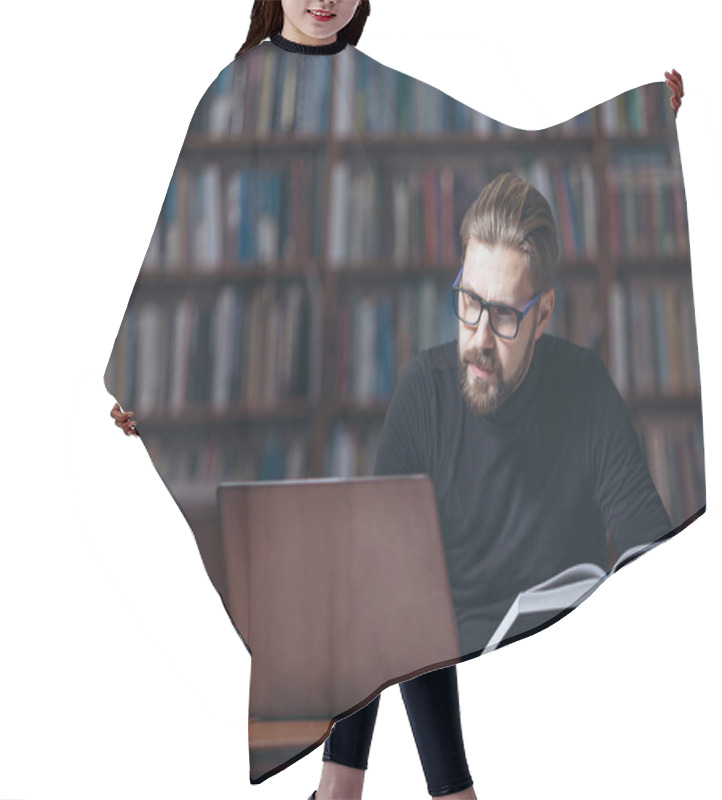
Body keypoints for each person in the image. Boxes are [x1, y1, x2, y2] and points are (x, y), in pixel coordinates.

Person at [108, 3, 687, 799]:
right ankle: (401, 788)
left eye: (507, 313)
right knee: (376, 574)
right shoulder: (236, 87)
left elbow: (490, 148)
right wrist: (151, 374)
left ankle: (348, 787)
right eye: (470, 305)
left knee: (387, 575)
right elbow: (182, 247)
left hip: (357, 368)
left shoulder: (375, 87)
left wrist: (636, 130)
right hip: (281, 367)